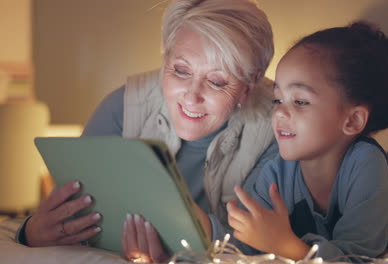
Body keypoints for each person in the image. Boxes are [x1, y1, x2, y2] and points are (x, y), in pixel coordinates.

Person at [15, 0, 278, 262]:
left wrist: (189, 240)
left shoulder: (276, 128)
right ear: (166, 59)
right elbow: (65, 214)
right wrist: (32, 233)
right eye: (180, 70)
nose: (191, 96)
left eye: (217, 81)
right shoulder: (123, 106)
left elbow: (268, 247)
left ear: (249, 84)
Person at [202, 21, 388, 261]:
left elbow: (357, 257)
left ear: (352, 121)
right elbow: (245, 242)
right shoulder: (274, 172)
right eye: (277, 99)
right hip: (386, 179)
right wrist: (202, 225)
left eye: (300, 101)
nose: (279, 112)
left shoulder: (366, 164)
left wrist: (287, 245)